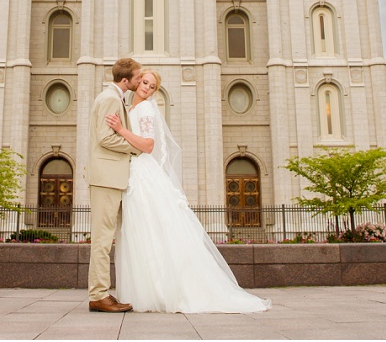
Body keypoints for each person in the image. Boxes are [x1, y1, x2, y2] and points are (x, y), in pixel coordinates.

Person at [105, 71, 270, 313]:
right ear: (137, 80)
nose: (146, 87)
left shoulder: (146, 110)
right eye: (144, 82)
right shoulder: (132, 107)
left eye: (152, 86)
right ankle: (152, 290)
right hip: (136, 173)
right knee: (143, 230)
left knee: (150, 229)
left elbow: (148, 145)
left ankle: (164, 291)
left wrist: (120, 129)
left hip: (143, 173)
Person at [86, 57, 144, 313]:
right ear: (125, 80)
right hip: (106, 178)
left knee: (109, 236)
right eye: (137, 77)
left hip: (112, 177)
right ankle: (98, 295)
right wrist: (135, 148)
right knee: (102, 239)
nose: (140, 81)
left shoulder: (115, 98)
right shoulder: (110, 98)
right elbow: (104, 138)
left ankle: (105, 293)